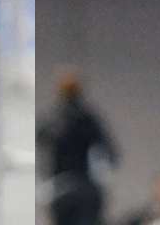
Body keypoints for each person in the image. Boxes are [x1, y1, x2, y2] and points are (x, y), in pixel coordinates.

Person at [39, 66, 119, 225]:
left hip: (62, 188)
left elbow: (41, 145)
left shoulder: (54, 120)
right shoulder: (88, 119)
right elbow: (109, 153)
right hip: (84, 188)